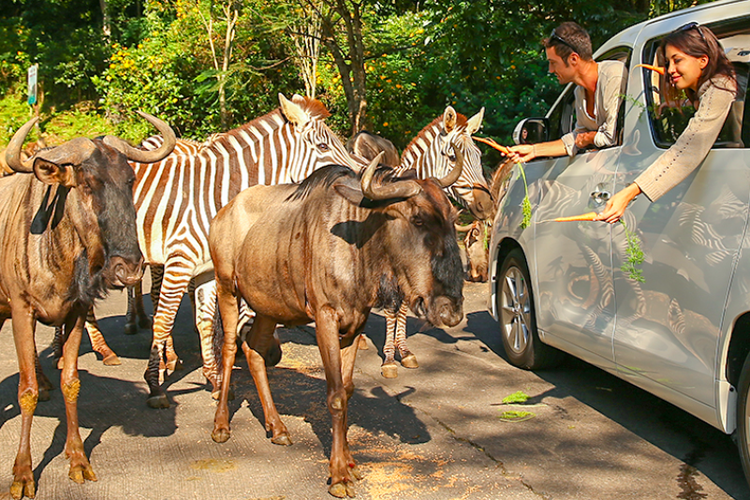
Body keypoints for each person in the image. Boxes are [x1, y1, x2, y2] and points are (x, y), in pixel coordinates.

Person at [596, 22, 737, 223]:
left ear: (703, 60)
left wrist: (629, 193)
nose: (670, 69)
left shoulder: (720, 88)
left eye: (677, 60)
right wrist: (681, 103)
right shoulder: (712, 88)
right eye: (668, 62)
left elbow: (687, 149)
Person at [505, 22, 628, 163]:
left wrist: (589, 138)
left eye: (553, 62)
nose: (550, 70)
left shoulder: (613, 76)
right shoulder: (579, 92)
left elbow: (610, 137)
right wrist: (533, 150)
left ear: (574, 59)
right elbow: (576, 139)